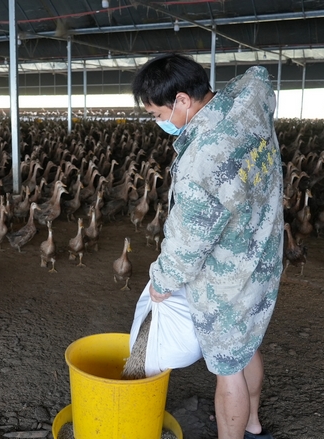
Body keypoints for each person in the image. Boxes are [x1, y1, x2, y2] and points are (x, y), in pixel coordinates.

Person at [130, 54, 283, 439]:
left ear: (183, 100)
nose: (158, 122)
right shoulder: (249, 100)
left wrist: (161, 284)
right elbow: (258, 75)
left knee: (227, 365)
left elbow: (186, 244)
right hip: (262, 250)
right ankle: (252, 423)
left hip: (228, 275)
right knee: (247, 344)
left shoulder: (203, 159)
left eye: (156, 113)